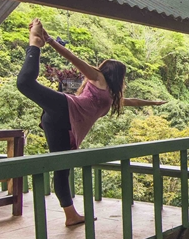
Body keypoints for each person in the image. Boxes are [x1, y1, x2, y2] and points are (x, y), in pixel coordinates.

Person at [17, 18, 165, 226]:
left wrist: (154, 102)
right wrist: (49, 40)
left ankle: (71, 216)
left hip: (61, 123)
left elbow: (132, 101)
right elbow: (73, 58)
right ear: (118, 75)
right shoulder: (97, 78)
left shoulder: (111, 96)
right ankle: (34, 43)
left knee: (62, 168)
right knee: (25, 84)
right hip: (66, 108)